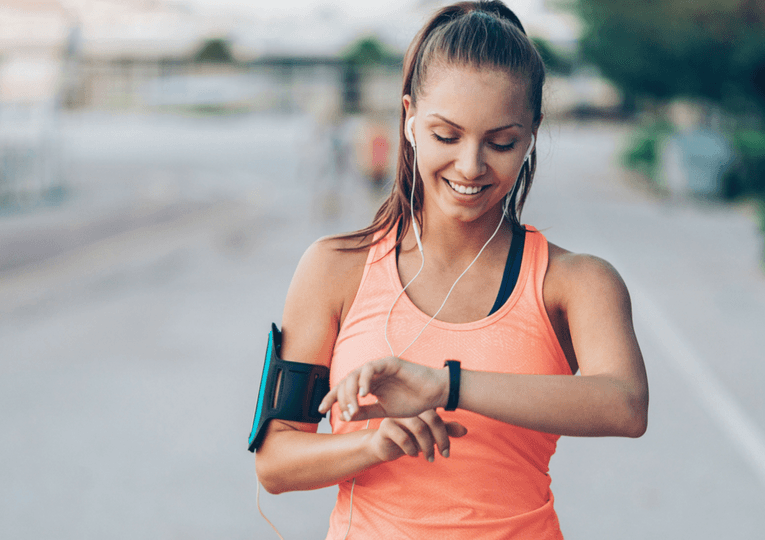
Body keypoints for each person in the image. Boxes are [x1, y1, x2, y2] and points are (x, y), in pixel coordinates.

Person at [252, 2, 649, 538]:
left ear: (531, 133)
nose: (470, 166)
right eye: (446, 135)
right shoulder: (334, 268)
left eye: (501, 142)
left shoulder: (575, 282)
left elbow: (625, 405)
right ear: (410, 118)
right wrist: (371, 444)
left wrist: (444, 386)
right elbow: (275, 461)